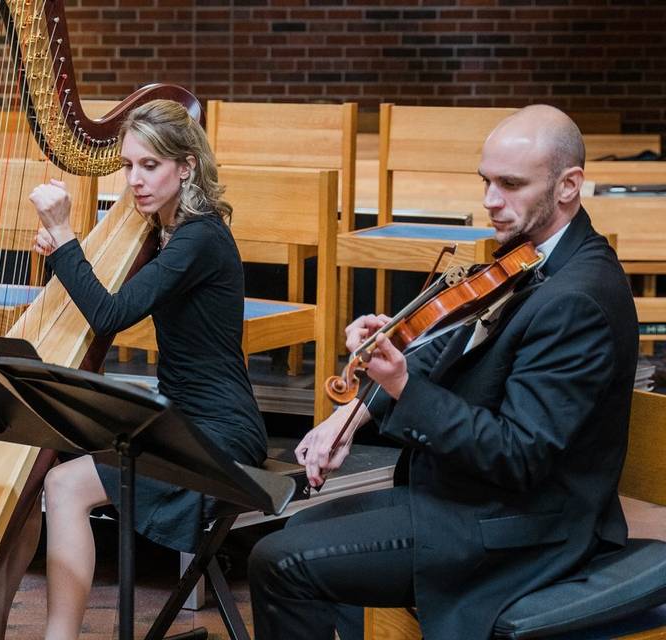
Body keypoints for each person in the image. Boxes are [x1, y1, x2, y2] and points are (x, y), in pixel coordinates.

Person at [248, 104, 639, 639]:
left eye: (510, 184)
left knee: (282, 560)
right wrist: (350, 417)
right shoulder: (528, 259)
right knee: (304, 530)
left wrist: (402, 384)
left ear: (569, 185)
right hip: (468, 500)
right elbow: (449, 350)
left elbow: (519, 455)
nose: (490, 202)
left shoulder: (579, 298)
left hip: (527, 526)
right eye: (485, 182)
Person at [28, 99, 267, 640]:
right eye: (128, 165)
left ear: (186, 166)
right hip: (178, 420)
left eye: (150, 166)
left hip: (218, 436)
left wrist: (66, 237)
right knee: (38, 467)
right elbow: (106, 295)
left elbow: (110, 312)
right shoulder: (167, 230)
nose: (134, 179)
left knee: (65, 484)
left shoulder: (199, 238)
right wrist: (63, 252)